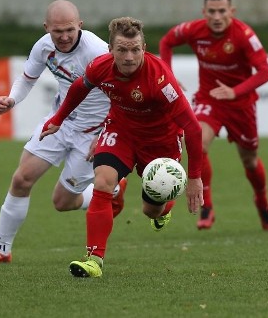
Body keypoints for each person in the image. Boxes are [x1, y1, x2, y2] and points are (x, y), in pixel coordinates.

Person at [40, 16, 203, 278]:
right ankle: (94, 260)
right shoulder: (100, 67)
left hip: (160, 140)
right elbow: (79, 89)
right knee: (103, 182)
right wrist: (57, 119)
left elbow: (193, 128)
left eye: (135, 49)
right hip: (121, 131)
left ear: (144, 48)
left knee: (152, 210)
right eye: (122, 50)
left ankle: (164, 206)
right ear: (110, 50)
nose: (129, 57)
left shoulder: (160, 79)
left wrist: (194, 178)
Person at [0, 0, 126, 265]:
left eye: (69, 31)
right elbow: (27, 79)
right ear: (46, 28)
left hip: (92, 133)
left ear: (80, 26)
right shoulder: (44, 46)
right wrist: (12, 100)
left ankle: (113, 191)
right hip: (59, 123)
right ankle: (1, 250)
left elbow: (120, 97)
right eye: (57, 32)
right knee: (21, 179)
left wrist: (106, 134)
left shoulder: (98, 52)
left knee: (62, 202)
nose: (63, 37)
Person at [159, 0, 268, 231]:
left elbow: (265, 71)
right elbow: (167, 41)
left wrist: (235, 91)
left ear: (231, 11)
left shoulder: (244, 35)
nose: (216, 17)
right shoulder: (194, 30)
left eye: (222, 11)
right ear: (204, 12)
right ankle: (207, 205)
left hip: (241, 105)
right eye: (211, 11)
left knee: (250, 161)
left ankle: (262, 202)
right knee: (197, 142)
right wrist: (168, 74)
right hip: (209, 99)